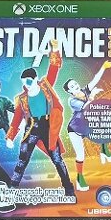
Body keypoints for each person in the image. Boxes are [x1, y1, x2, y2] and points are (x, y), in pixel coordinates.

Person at [6, 40, 74, 197]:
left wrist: (55, 49)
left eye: (29, 81)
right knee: (22, 159)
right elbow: (16, 118)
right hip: (31, 128)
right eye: (24, 82)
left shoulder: (45, 86)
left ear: (35, 78)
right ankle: (13, 188)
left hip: (48, 127)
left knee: (57, 159)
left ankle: (68, 189)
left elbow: (54, 68)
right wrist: (10, 137)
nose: (27, 85)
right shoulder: (21, 98)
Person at [63, 59, 111, 192]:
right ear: (69, 91)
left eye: (75, 83)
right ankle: (80, 178)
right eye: (72, 86)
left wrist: (103, 67)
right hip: (75, 129)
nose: (75, 86)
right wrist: (93, 94)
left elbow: (95, 79)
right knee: (81, 155)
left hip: (86, 125)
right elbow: (87, 106)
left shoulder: (85, 90)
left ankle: (104, 150)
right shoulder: (72, 100)